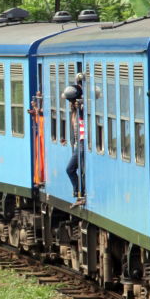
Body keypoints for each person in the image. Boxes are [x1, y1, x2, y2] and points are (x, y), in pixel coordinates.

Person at [64, 78, 86, 208]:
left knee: (70, 169)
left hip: (82, 143)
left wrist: (80, 108)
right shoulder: (74, 110)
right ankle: (79, 193)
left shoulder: (81, 109)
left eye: (70, 101)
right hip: (78, 143)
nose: (70, 103)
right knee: (73, 169)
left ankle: (80, 194)